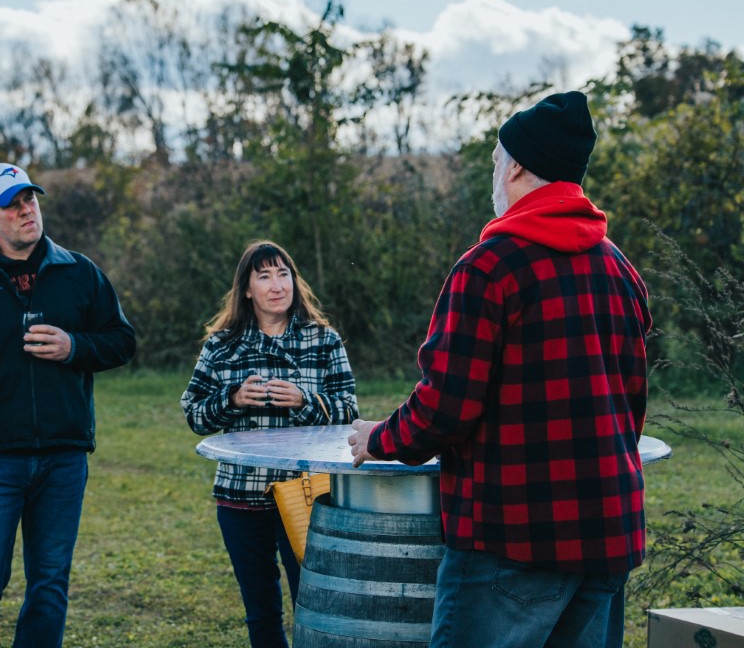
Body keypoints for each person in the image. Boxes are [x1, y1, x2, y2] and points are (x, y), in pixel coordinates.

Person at [348, 91, 651, 648]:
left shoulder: (489, 267)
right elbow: (631, 408)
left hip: (514, 538)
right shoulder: (620, 270)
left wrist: (380, 438)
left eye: (495, 159)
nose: (495, 171)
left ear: (515, 165)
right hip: (608, 534)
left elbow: (446, 408)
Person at [0, 161, 137, 648]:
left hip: (64, 457)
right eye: (11, 204)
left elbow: (122, 341)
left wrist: (74, 347)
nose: (25, 211)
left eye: (30, 199)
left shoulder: (78, 273)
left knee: (50, 584)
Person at [182, 240, 358, 648]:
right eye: (264, 276)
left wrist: (304, 401)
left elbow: (349, 413)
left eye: (284, 274)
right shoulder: (222, 345)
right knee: (260, 609)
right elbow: (194, 414)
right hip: (240, 497)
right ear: (246, 289)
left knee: (312, 603)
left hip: (307, 495)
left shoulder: (323, 341)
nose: (277, 285)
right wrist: (232, 400)